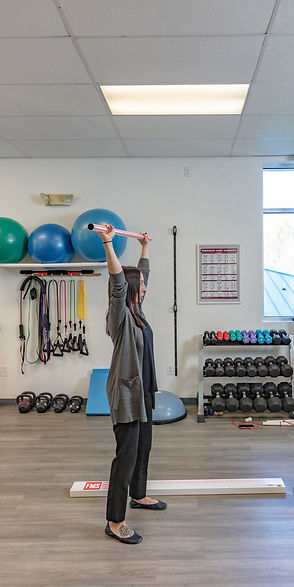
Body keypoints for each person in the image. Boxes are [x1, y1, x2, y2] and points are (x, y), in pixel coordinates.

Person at [97, 224, 167, 545]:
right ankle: (115, 520)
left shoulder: (137, 309)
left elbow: (143, 274)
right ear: (131, 290)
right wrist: (109, 244)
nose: (145, 288)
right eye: (140, 286)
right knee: (125, 456)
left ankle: (138, 495)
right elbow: (118, 283)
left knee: (143, 447)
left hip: (145, 392)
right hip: (126, 393)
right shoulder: (121, 315)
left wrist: (144, 246)